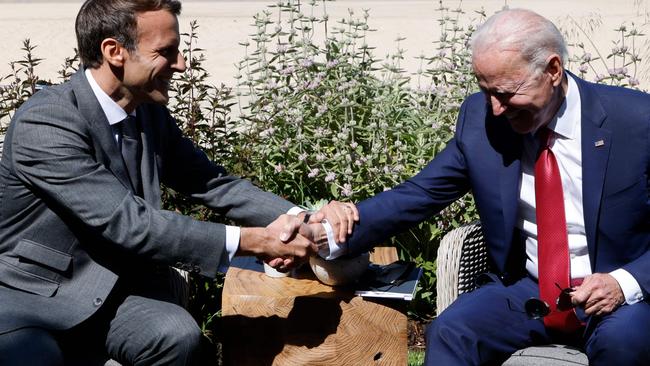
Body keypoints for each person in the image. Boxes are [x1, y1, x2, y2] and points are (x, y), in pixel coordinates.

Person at [0, 0, 358, 365]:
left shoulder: (146, 112)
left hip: (112, 296)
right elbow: (130, 223)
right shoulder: (46, 124)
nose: (181, 64)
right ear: (114, 52)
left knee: (180, 338)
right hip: (33, 299)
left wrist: (304, 219)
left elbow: (211, 182)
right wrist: (256, 241)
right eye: (166, 52)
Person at [332, 8, 650, 365]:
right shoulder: (482, 121)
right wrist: (326, 234)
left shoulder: (637, 122)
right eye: (485, 92)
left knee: (625, 342)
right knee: (452, 331)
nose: (495, 109)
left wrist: (625, 282)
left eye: (504, 92)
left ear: (553, 71)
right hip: (527, 288)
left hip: (622, 295)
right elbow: (418, 195)